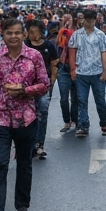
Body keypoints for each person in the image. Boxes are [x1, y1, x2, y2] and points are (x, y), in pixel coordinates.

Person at [0, 18, 50, 211]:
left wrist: (25, 90)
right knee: (0, 163)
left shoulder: (34, 56)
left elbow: (44, 84)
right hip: (0, 118)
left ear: (23, 34)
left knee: (24, 163)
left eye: (16, 33)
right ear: (2, 35)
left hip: (26, 118)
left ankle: (22, 206)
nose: (13, 36)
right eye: (8, 33)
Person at [70, 9, 106, 138]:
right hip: (81, 73)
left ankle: (103, 123)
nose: (88, 23)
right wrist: (72, 69)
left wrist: (105, 71)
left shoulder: (101, 35)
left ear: (95, 20)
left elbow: (104, 53)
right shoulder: (76, 35)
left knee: (100, 101)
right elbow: (72, 51)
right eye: (85, 20)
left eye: (90, 20)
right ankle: (83, 125)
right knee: (82, 101)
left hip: (97, 73)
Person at [23, 19, 59, 159]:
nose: (33, 34)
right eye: (30, 31)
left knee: (42, 112)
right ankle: (28, 144)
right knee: (29, 114)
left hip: (44, 85)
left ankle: (39, 144)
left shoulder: (48, 45)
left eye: (35, 31)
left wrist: (52, 81)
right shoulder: (24, 45)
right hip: (27, 86)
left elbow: (54, 63)